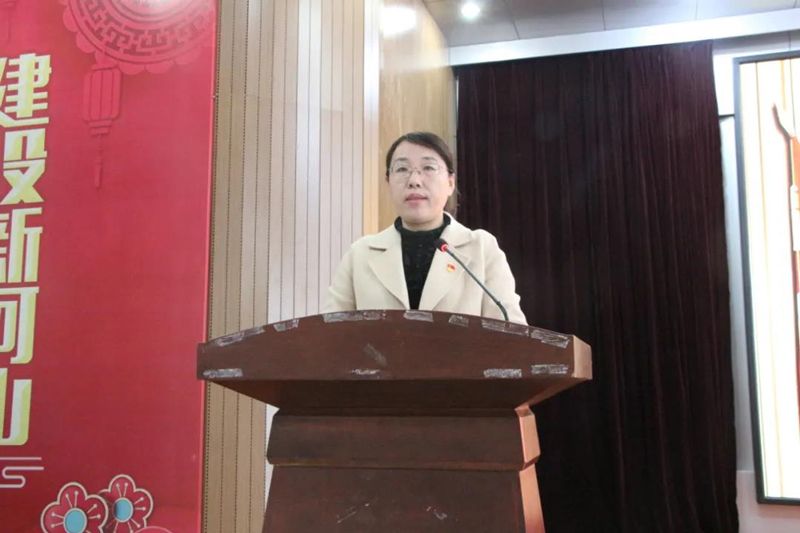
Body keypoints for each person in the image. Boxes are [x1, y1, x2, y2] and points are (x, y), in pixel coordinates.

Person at [323, 131, 527, 324]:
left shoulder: (482, 249)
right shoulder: (360, 254)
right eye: (402, 169)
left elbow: (512, 334)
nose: (414, 181)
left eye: (428, 168)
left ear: (450, 182)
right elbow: (331, 334)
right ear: (388, 182)